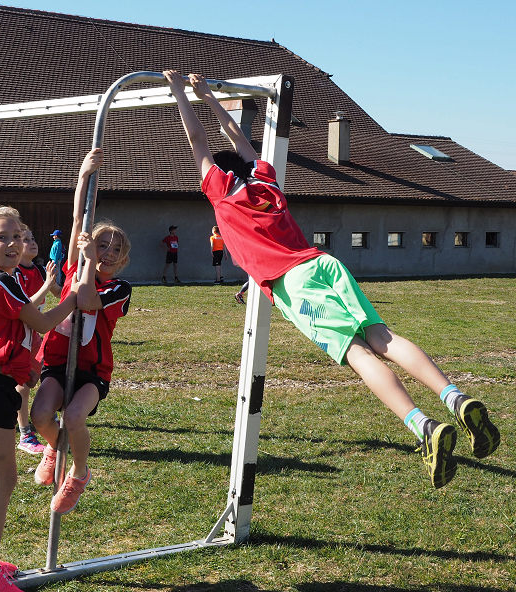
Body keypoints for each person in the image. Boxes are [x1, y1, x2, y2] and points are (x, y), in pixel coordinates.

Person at [165, 69, 499, 488]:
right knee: (383, 336)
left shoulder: (221, 193)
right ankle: (456, 397)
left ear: (216, 174)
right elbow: (235, 136)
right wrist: (207, 97)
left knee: (359, 354)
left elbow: (197, 140)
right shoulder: (266, 179)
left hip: (294, 283)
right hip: (324, 263)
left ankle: (424, 427)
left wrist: (179, 93)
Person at [0, 206, 78, 592]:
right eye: (2, 237)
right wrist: (73, 298)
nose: (13, 244)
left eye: (18, 237)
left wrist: (27, 365)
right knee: (3, 480)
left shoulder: (3, 280)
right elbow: (40, 321)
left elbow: (23, 318)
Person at [30, 148, 132, 514]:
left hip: (92, 370)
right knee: (40, 416)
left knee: (74, 417)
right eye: (102, 244)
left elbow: (87, 299)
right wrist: (83, 176)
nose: (107, 252)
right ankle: (54, 446)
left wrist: (89, 261)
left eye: (115, 249)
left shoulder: (119, 288)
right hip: (57, 360)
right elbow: (78, 219)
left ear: (123, 258)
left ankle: (79, 472)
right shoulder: (75, 266)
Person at [14, 224, 61, 455]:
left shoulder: (41, 270)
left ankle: (49, 418)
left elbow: (58, 293)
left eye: (32, 238)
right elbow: (25, 306)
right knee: (22, 386)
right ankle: (25, 435)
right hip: (19, 335)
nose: (32, 243)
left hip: (36, 335)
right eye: (25, 240)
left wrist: (77, 290)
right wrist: (46, 284)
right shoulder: (14, 273)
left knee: (40, 379)